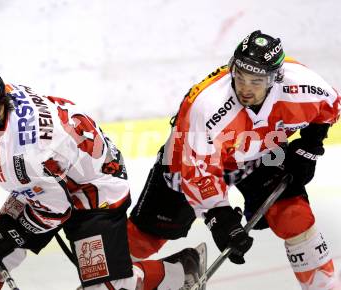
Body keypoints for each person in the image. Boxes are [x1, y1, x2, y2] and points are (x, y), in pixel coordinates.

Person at [0, 69, 207, 290]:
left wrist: (10, 234)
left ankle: (182, 270)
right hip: (48, 179)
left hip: (95, 191)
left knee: (105, 287)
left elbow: (55, 208)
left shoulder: (24, 153)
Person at [127, 30, 340, 290]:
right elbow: (195, 171)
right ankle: (147, 276)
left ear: (275, 79)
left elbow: (330, 106)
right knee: (138, 242)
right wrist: (220, 217)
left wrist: (310, 146)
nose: (245, 88)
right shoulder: (207, 106)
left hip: (261, 154)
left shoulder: (302, 86)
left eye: (256, 81)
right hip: (186, 164)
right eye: (240, 77)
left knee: (294, 217)